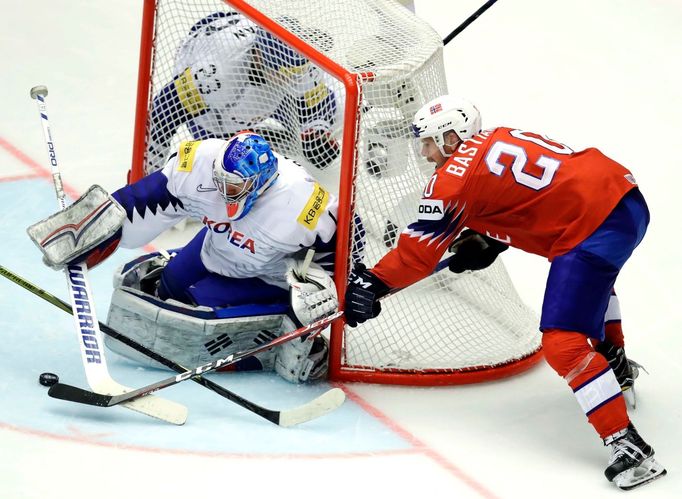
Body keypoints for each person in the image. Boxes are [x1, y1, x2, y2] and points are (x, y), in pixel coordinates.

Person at [343, 95, 666, 490]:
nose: (425, 153)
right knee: (592, 283)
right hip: (626, 201)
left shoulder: (451, 179)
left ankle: (629, 447)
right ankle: (615, 365)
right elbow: (526, 194)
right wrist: (489, 239)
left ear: (451, 137)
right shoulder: (496, 137)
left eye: (428, 142)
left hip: (592, 226)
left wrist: (372, 283)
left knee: (563, 343)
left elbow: (416, 256)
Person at [28, 133, 353, 383]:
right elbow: (144, 197)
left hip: (268, 273)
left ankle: (279, 343)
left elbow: (350, 233)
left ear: (260, 185)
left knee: (199, 308)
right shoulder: (200, 160)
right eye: (221, 181)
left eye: (235, 187)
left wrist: (332, 289)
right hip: (215, 249)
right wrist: (94, 226)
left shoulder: (302, 202)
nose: (224, 191)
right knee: (169, 288)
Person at [144, 11, 340, 175]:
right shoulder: (215, 75)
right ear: (260, 57)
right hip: (216, 113)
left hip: (265, 85)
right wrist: (150, 172)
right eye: (287, 73)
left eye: (298, 71)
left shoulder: (297, 60)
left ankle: (266, 136)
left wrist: (316, 131)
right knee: (230, 174)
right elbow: (163, 113)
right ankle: (237, 139)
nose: (295, 79)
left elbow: (318, 103)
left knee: (339, 116)